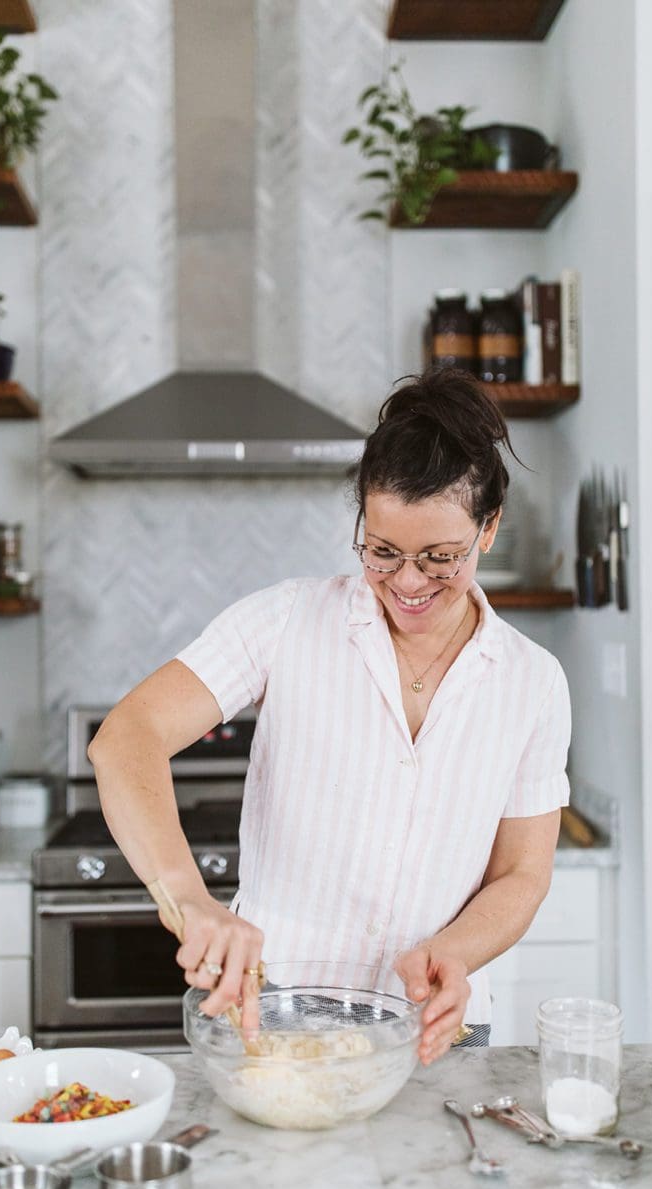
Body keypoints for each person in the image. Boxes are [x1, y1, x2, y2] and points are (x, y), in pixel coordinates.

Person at [88, 368, 571, 1064]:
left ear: (488, 529)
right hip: (272, 1008)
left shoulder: (534, 682)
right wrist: (191, 901)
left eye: (440, 558)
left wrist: (454, 951)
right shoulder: (285, 620)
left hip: (435, 1020)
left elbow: (523, 873)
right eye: (383, 551)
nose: (407, 582)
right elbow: (126, 739)